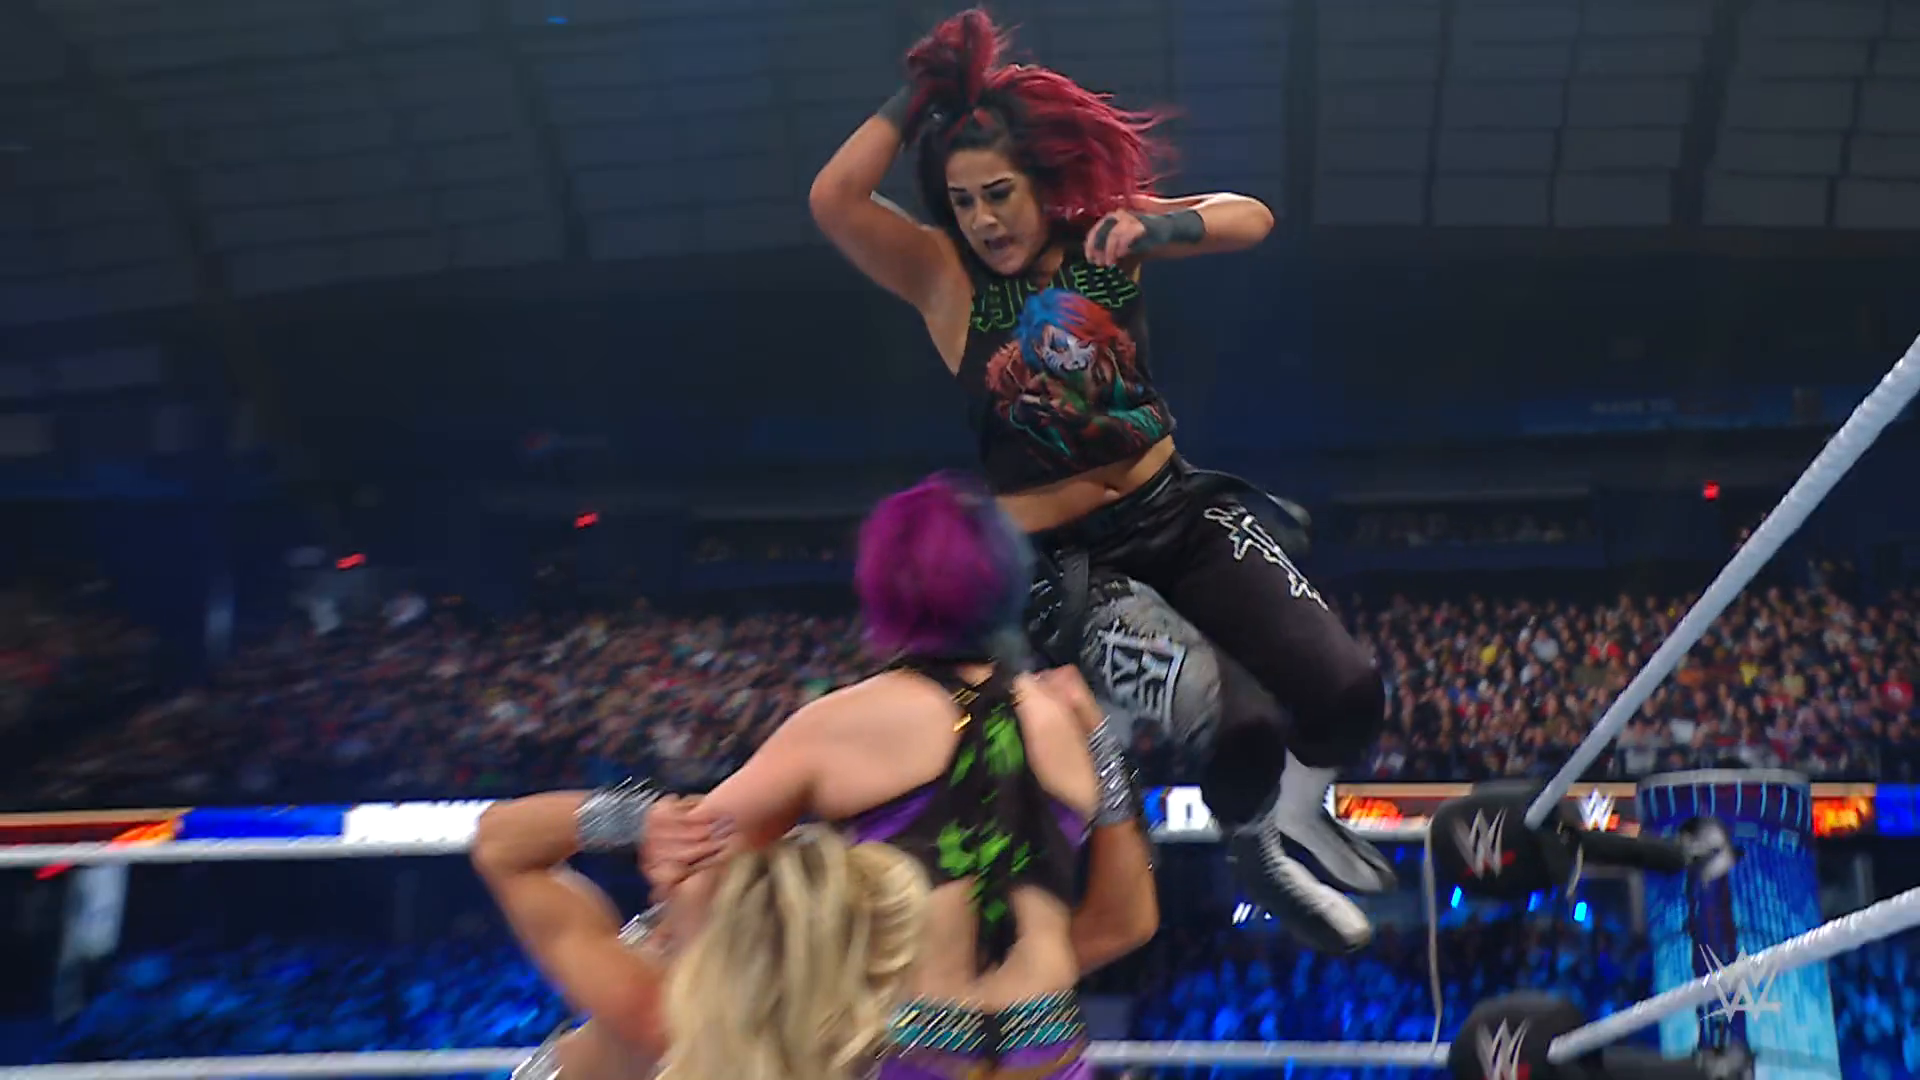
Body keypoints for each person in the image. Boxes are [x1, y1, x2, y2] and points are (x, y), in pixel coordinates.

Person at [805, 7, 1393, 951]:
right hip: (1069, 566)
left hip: (1179, 508)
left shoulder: (1102, 242)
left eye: (999, 193)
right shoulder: (944, 279)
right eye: (962, 200)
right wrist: (922, 91)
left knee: (1349, 691)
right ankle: (1257, 851)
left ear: (1042, 182)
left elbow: (1252, 217)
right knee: (1234, 723)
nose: (983, 219)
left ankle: (1298, 812)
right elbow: (836, 199)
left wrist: (1161, 227)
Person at [644, 472, 1162, 1080]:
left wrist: (809, 978)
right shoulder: (1068, 722)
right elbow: (1127, 921)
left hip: (908, 1050)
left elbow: (688, 871)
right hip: (1050, 1050)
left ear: (882, 589)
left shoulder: (842, 723)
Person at [474, 806, 928, 1080]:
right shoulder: (835, 1034)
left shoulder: (652, 1009)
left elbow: (502, 843)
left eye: (696, 869)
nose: (662, 875)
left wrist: (645, 818)